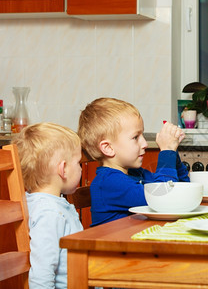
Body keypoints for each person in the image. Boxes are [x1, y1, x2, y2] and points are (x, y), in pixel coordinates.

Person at [78, 97, 189, 226]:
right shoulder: (109, 183)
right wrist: (167, 151)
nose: (145, 143)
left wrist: (172, 154)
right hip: (115, 245)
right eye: (135, 137)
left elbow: (180, 191)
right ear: (108, 148)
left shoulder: (136, 174)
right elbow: (162, 198)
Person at [12, 123, 83, 289]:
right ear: (63, 169)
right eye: (78, 162)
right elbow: (42, 273)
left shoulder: (42, 204)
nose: (81, 168)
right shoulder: (50, 212)